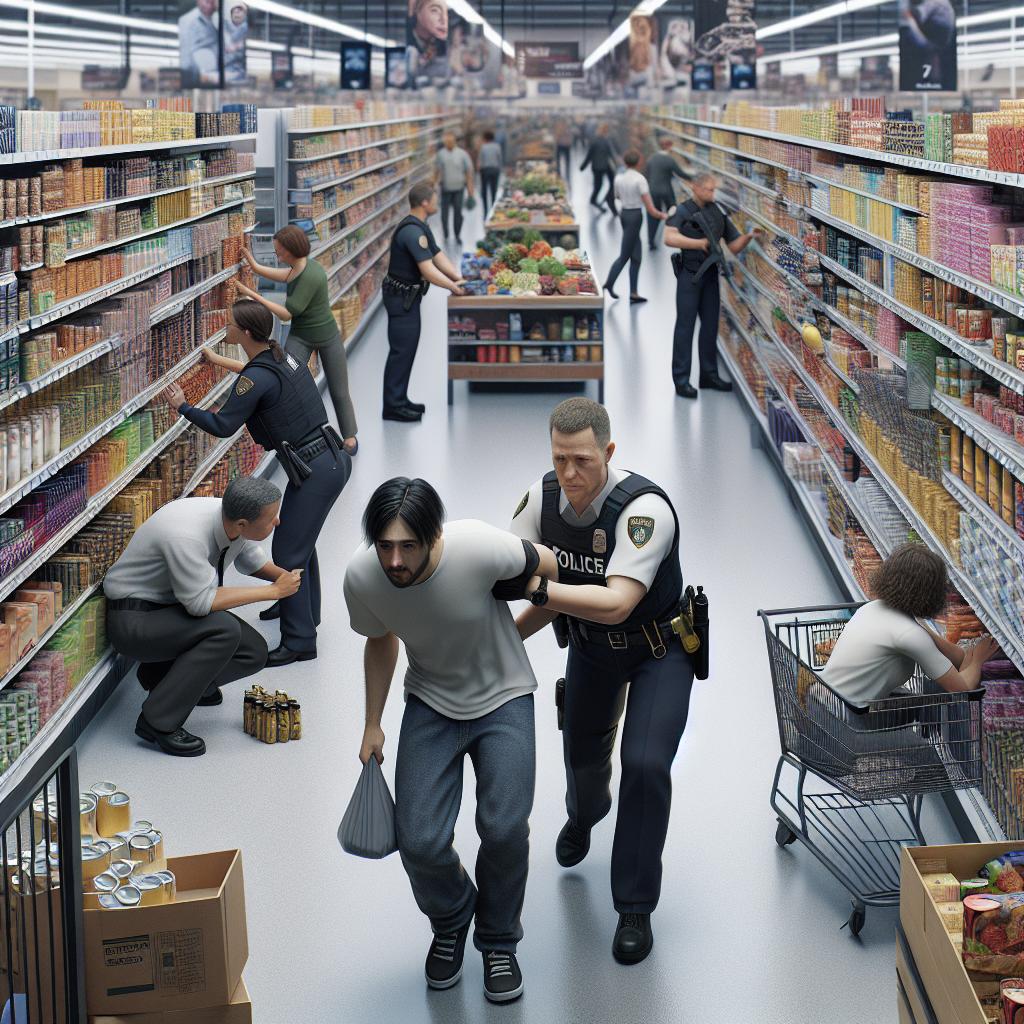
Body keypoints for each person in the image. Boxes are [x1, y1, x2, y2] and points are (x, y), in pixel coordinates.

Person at [344, 478, 559, 1003]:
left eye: (408, 547)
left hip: (504, 696)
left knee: (504, 828)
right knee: (417, 840)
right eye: (384, 546)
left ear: (433, 536)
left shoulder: (479, 547)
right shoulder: (363, 576)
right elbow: (380, 639)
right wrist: (373, 722)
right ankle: (453, 914)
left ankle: (499, 940)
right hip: (431, 702)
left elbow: (550, 565)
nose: (394, 560)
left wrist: (518, 629)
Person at [510, 398, 694, 966]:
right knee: (583, 757)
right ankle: (584, 814)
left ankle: (634, 906)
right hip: (591, 649)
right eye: (560, 459)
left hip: (659, 651)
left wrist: (539, 589)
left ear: (609, 453)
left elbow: (615, 602)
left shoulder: (643, 510)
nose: (569, 475)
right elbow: (509, 570)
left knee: (644, 764)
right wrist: (500, 643)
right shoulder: (540, 502)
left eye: (583, 461)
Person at [162, 299, 352, 667]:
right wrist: (219, 363)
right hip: (328, 459)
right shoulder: (283, 357)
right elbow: (258, 378)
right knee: (301, 542)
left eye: (230, 323)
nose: (226, 327)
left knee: (289, 551)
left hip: (314, 470)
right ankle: (301, 611)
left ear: (245, 332)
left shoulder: (257, 376)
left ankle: (300, 641)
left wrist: (183, 406)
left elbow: (223, 426)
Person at [103, 477, 301, 757]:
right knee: (224, 631)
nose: (277, 522)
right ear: (243, 524)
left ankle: (168, 680)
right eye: (272, 518)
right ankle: (158, 722)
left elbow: (250, 561)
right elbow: (200, 603)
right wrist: (272, 592)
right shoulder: (186, 535)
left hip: (171, 611)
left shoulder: (230, 516)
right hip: (135, 621)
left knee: (254, 652)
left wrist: (285, 579)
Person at [821, 544, 997, 705]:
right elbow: (961, 689)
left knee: (909, 706)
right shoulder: (909, 634)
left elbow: (958, 656)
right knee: (915, 732)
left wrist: (971, 655)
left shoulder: (872, 608)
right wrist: (979, 660)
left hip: (821, 700)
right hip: (842, 722)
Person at [237, 225, 358, 456]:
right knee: (288, 381)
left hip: (326, 336)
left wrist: (253, 296)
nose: (278, 256)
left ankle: (349, 437)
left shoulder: (311, 275)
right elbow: (285, 276)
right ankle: (299, 434)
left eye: (279, 251)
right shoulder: (299, 267)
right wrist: (254, 266)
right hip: (302, 335)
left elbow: (287, 314)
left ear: (291, 250)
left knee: (339, 388)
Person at [663, 172, 760, 398]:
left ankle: (708, 375)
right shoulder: (683, 211)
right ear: (695, 187)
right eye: (708, 189)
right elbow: (669, 237)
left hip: (710, 277)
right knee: (685, 327)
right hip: (689, 275)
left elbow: (733, 246)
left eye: (713, 189)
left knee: (710, 327)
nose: (712, 193)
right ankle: (681, 379)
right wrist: (698, 243)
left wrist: (749, 236)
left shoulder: (718, 212)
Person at [381, 182, 465, 423]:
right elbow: (427, 270)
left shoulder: (421, 227)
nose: (438, 201)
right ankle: (393, 406)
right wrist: (452, 287)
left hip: (408, 298)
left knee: (407, 349)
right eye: (435, 198)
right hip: (401, 299)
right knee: (401, 351)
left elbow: (437, 256)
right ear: (425, 202)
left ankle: (400, 399)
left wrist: (458, 277)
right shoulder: (412, 232)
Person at [602, 150, 667, 305]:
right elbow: (650, 208)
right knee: (625, 255)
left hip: (624, 214)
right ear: (639, 162)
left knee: (636, 256)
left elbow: (617, 196)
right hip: (635, 216)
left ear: (625, 162)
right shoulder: (640, 180)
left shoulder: (619, 178)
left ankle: (634, 292)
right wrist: (663, 215)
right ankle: (609, 283)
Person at [644, 136, 686, 249]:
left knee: (653, 216)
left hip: (653, 191)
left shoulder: (652, 158)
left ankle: (651, 242)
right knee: (673, 213)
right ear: (669, 146)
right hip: (666, 191)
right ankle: (678, 239)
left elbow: (646, 175)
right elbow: (681, 173)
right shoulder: (669, 159)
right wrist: (695, 177)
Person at [436, 132, 475, 245]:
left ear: (455, 142)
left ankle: (457, 235)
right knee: (444, 214)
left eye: (451, 142)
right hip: (445, 189)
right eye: (446, 142)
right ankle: (446, 234)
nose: (449, 144)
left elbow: (468, 174)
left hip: (459, 189)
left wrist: (470, 192)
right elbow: (437, 171)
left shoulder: (463, 154)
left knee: (458, 213)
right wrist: (434, 186)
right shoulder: (440, 154)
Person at [178, 0, 220, 87]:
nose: (210, 2)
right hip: (200, 78)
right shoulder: (188, 21)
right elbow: (186, 58)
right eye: (207, 1)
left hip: (214, 75)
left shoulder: (218, 18)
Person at [580, 124, 619, 214]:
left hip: (598, 167)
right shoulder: (605, 141)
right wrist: (617, 164)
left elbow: (589, 155)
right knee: (609, 183)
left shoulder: (596, 140)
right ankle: (602, 199)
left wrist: (583, 166)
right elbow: (611, 154)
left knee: (599, 185)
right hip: (604, 166)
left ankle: (602, 199)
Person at [478, 130, 503, 214]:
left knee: (484, 190)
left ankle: (485, 209)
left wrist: (479, 170)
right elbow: (499, 159)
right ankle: (493, 206)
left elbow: (480, 161)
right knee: (494, 189)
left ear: (485, 138)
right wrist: (499, 169)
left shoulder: (483, 147)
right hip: (495, 170)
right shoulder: (497, 146)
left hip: (485, 170)